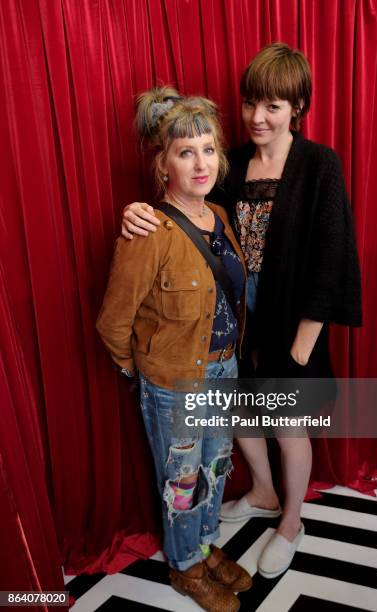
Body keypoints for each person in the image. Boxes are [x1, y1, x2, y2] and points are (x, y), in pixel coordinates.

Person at [120, 43, 362, 579]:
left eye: (273, 105)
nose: (257, 116)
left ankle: (292, 522)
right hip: (229, 316)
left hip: (292, 319)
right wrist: (137, 210)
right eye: (252, 102)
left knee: (287, 427)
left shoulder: (319, 163)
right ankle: (263, 491)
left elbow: (331, 253)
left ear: (297, 107)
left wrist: (303, 341)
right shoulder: (229, 160)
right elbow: (191, 211)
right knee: (237, 416)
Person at [97, 86, 251, 612]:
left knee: (216, 466)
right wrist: (140, 371)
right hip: (174, 384)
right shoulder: (148, 231)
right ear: (164, 164)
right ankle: (185, 567)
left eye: (208, 149)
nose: (201, 162)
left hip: (224, 370)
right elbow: (113, 322)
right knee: (182, 481)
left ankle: (204, 549)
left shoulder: (221, 219)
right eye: (186, 152)